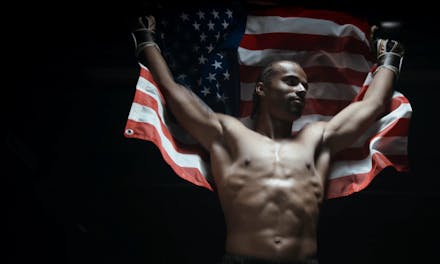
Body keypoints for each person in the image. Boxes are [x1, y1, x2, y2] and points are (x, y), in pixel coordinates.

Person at [130, 14, 404, 264]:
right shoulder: (230, 134)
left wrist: (390, 59)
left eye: (304, 87)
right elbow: (173, 92)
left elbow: (372, 105)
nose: (300, 90)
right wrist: (146, 41)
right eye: (291, 81)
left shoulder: (316, 139)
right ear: (261, 88)